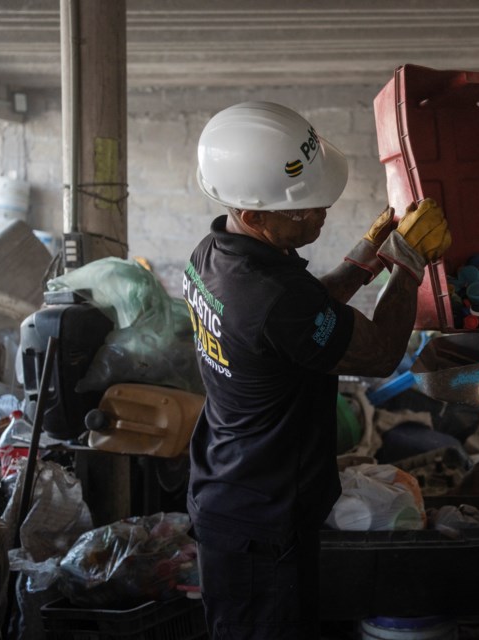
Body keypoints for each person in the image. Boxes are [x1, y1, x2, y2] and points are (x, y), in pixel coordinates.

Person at [182, 101, 451, 639]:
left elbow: (309, 313)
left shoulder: (217, 251)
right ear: (255, 215)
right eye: (303, 209)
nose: (320, 214)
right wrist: (408, 266)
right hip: (262, 518)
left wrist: (369, 255)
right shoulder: (270, 298)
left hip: (233, 489)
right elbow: (376, 354)